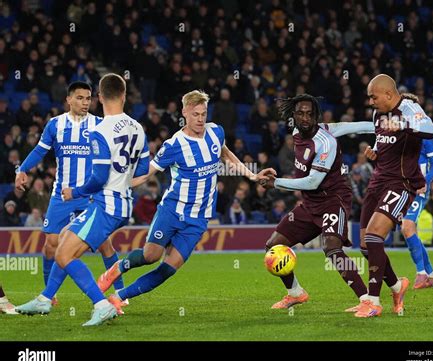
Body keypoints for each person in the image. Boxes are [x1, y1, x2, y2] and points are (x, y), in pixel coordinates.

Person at [96, 90, 274, 311]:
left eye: (203, 114)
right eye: (196, 114)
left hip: (198, 218)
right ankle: (117, 268)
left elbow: (226, 154)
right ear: (185, 113)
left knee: (169, 269)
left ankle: (119, 297)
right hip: (172, 211)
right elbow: (147, 172)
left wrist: (252, 175)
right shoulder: (174, 145)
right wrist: (117, 184)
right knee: (150, 256)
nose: (200, 119)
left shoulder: (215, 132)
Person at [16, 73, 149, 326]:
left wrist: (76, 192)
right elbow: (142, 170)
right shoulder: (136, 127)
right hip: (108, 200)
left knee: (69, 254)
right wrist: (22, 168)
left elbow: (99, 177)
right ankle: (46, 297)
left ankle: (105, 302)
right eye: (80, 98)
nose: (86, 102)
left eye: (89, 98)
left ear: (99, 98)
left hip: (96, 199)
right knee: (59, 242)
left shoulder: (100, 128)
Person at [262, 94, 376, 310]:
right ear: (293, 116)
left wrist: (385, 126)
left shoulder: (325, 141)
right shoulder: (297, 132)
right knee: (273, 246)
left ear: (316, 116)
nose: (305, 118)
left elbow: (313, 181)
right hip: (310, 203)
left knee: (332, 248)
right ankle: (295, 293)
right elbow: (351, 126)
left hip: (334, 199)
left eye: (309, 114)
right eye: (300, 113)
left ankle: (366, 300)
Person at [351, 75, 433, 318]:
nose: (371, 102)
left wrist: (403, 126)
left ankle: (373, 301)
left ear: (389, 94)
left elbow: (431, 130)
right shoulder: (378, 114)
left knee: (375, 235)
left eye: (373, 96)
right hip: (378, 181)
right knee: (366, 247)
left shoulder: (409, 108)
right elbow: (382, 142)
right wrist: (374, 151)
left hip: (402, 184)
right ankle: (398, 287)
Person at [367, 109, 433, 289]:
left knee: (407, 227)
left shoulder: (423, 130)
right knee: (409, 230)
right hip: (402, 186)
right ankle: (431, 275)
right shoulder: (395, 129)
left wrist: (425, 182)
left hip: (419, 187)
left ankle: (421, 274)